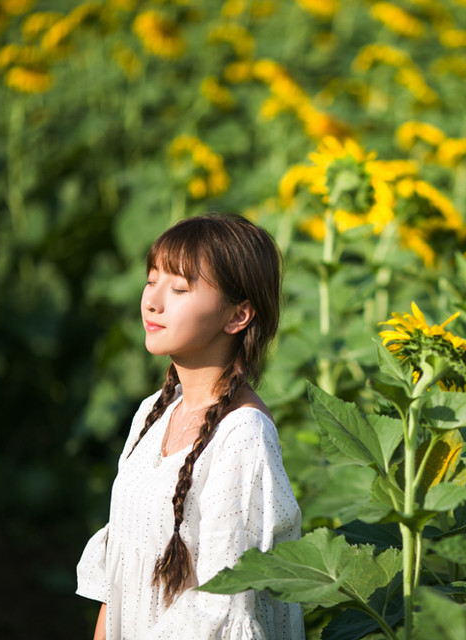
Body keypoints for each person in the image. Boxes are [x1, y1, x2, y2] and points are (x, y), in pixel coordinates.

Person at [76, 213, 304, 640]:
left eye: (179, 288)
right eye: (151, 281)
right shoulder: (152, 412)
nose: (152, 302)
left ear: (238, 316)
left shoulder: (244, 435)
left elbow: (221, 606)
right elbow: (118, 576)